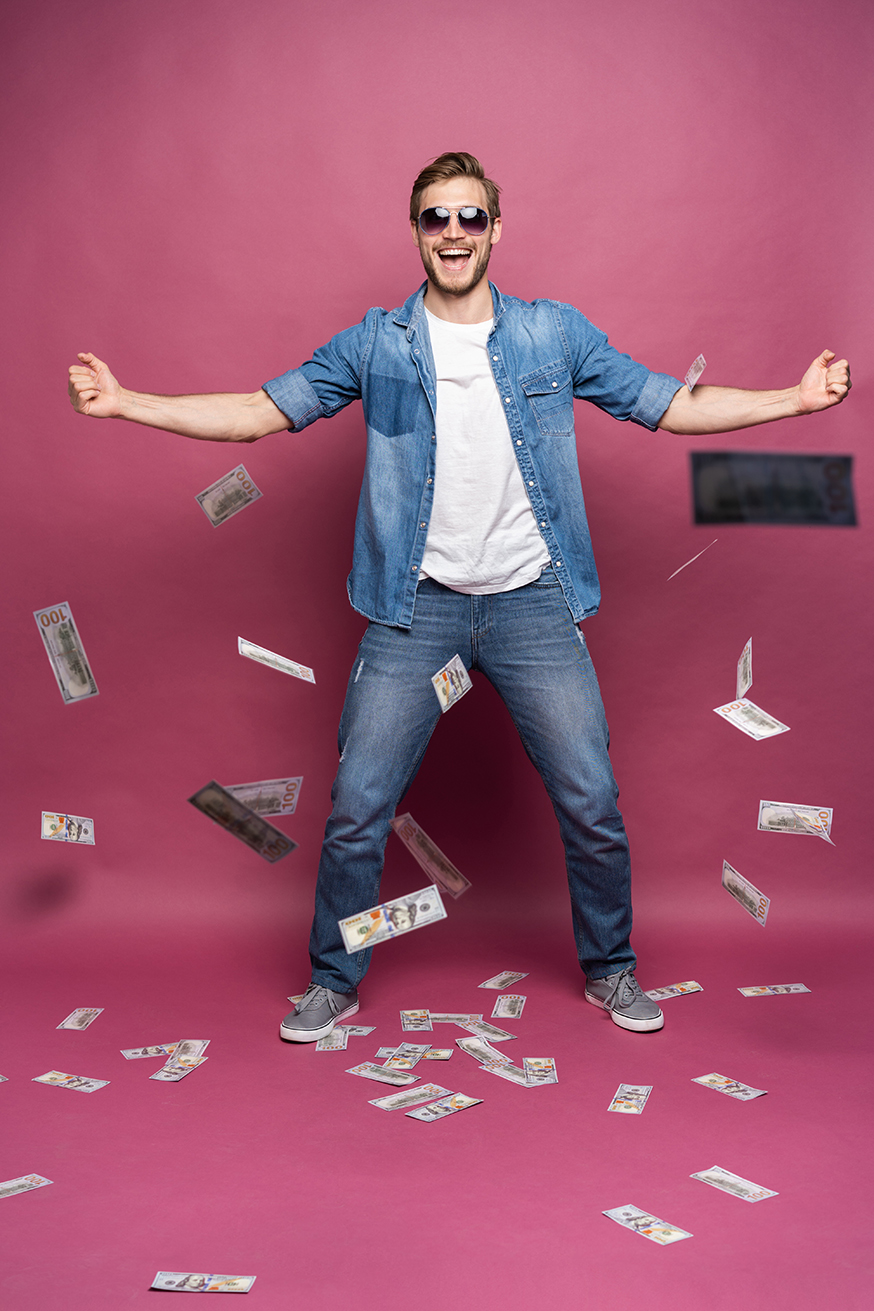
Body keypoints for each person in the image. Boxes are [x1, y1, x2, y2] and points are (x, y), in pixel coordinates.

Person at [68, 151, 851, 1043]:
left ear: (495, 231)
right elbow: (258, 409)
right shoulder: (376, 342)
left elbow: (666, 403)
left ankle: (611, 969)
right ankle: (333, 980)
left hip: (533, 605)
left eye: (469, 217)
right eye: (435, 218)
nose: (453, 233)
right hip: (416, 608)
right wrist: (125, 402)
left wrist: (796, 400)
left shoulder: (552, 334)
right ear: (415, 232)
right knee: (359, 806)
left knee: (591, 802)